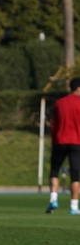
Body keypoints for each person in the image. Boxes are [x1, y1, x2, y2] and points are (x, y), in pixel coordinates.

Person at [45, 77, 80, 214]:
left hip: (60, 141)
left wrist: (54, 140)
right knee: (75, 175)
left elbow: (54, 124)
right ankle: (74, 206)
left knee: (54, 171)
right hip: (76, 142)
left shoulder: (59, 103)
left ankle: (53, 199)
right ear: (78, 88)